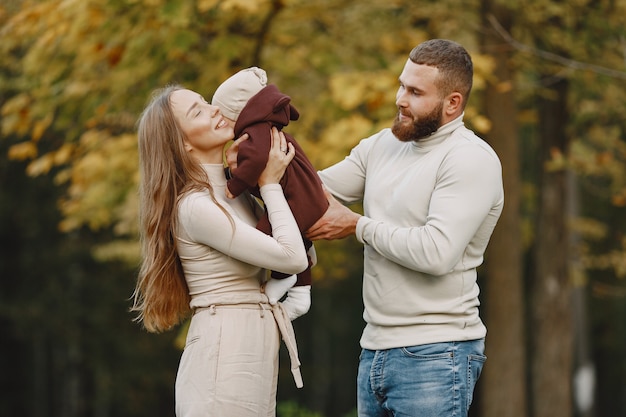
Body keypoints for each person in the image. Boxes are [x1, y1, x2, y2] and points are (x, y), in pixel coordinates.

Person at [307, 39, 505, 416]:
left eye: (415, 92)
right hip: (374, 348)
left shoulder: (470, 159)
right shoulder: (382, 145)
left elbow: (436, 252)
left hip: (437, 353)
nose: (400, 99)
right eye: (401, 85)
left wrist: (357, 226)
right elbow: (315, 191)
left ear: (453, 103)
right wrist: (254, 161)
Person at [131, 84, 310, 417]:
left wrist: (260, 181)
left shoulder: (235, 193)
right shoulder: (194, 207)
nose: (214, 108)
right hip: (221, 359)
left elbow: (301, 243)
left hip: (251, 353)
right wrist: (270, 184)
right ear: (182, 143)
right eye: (198, 111)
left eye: (205, 101)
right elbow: (293, 258)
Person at [212, 67, 329, 315]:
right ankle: (301, 286)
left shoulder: (255, 133)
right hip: (303, 194)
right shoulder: (263, 128)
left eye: (224, 116)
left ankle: (284, 275)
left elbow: (254, 164)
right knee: (282, 228)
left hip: (300, 197)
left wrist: (234, 186)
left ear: (239, 113)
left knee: (267, 237)